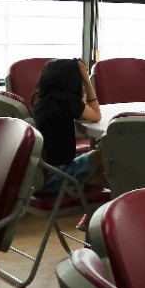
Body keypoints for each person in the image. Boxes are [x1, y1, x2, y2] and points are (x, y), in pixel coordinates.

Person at [32, 58, 102, 194]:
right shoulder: (67, 100)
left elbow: (87, 113)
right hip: (58, 175)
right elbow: (96, 115)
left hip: (42, 175)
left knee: (98, 173)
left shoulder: (40, 100)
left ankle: (107, 198)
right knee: (104, 153)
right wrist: (86, 78)